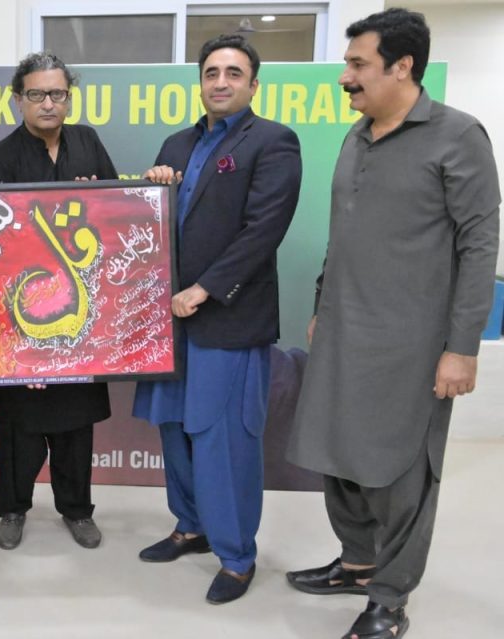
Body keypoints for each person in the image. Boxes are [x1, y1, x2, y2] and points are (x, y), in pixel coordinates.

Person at [286, 9, 499, 639]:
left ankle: (390, 598)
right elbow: (343, 234)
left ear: (402, 66)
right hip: (343, 330)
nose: (345, 77)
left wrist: (462, 348)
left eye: (358, 64)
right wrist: (322, 305)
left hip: (413, 343)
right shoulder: (357, 135)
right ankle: (358, 562)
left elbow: (480, 247)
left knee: (402, 474)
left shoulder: (458, 136)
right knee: (337, 453)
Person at [132, 34, 302, 604]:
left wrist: (204, 289)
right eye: (211, 72)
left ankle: (236, 557)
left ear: (254, 84)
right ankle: (191, 526)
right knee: (174, 427)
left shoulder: (274, 141)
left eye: (233, 73)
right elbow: (155, 224)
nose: (221, 82)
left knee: (223, 439)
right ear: (200, 82)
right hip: (169, 320)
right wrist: (151, 191)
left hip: (227, 317)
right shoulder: (177, 145)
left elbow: (264, 229)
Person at [0, 52, 115, 551]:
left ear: (69, 97)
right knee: (20, 426)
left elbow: (117, 215)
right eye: (36, 94)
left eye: (57, 93)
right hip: (23, 313)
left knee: (76, 424)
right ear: (19, 100)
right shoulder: (0, 157)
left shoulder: (88, 142)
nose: (48, 103)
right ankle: (13, 510)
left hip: (81, 314)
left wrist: (96, 200)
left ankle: (77, 511)